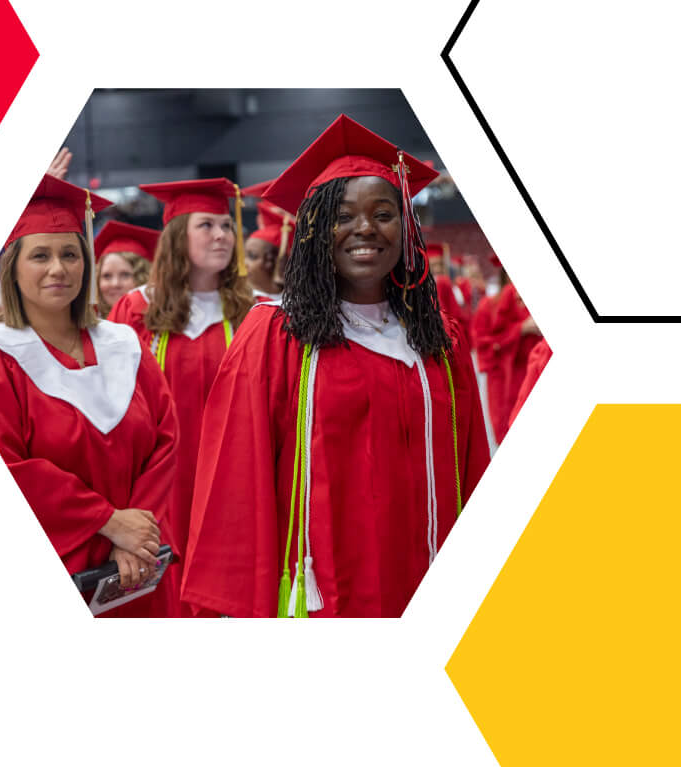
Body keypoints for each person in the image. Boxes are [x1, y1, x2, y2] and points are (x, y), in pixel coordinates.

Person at [180, 115, 491, 618]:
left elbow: (473, 469)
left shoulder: (438, 341)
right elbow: (236, 487)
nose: (365, 228)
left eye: (383, 213)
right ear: (314, 231)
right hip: (324, 595)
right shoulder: (276, 337)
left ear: (406, 227)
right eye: (342, 215)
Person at [0, 174, 179, 613]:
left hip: (137, 573)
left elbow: (165, 443)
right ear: (13, 269)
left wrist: (138, 537)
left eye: (70, 254)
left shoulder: (125, 345)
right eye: (40, 255)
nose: (58, 268)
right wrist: (108, 522)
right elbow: (3, 466)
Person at [106, 178, 253, 614]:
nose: (222, 235)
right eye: (206, 225)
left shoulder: (254, 312)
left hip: (231, 477)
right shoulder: (136, 310)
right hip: (162, 481)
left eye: (227, 226)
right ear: (177, 237)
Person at [473, 272, 541, 439]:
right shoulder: (489, 306)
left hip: (533, 373)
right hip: (504, 379)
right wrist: (521, 329)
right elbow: (483, 343)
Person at [93, 221, 156, 315]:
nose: (115, 284)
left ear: (144, 276)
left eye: (125, 275)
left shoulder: (161, 326)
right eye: (106, 276)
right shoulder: (89, 326)